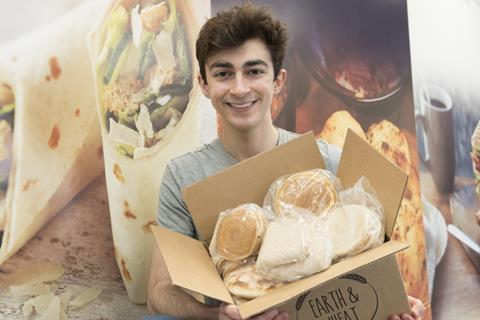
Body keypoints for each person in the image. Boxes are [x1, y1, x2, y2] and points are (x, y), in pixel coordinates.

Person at [147, 3, 425, 320]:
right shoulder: (184, 176)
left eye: (254, 71)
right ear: (204, 84)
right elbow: (159, 293)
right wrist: (218, 317)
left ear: (278, 80)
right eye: (224, 73)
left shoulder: (327, 162)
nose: (239, 88)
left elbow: (367, 266)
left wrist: (397, 303)